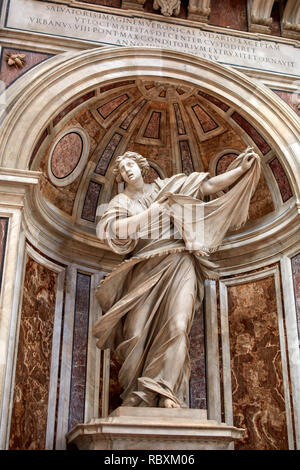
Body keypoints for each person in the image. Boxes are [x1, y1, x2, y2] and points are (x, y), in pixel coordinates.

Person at [93, 149, 260, 408]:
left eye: (131, 164)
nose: (127, 170)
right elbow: (113, 230)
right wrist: (153, 212)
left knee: (178, 326)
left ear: (141, 166)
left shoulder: (167, 187)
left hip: (180, 262)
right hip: (144, 267)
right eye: (122, 168)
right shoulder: (120, 202)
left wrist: (239, 171)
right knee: (135, 334)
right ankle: (140, 394)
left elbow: (206, 186)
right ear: (120, 176)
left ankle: (165, 391)